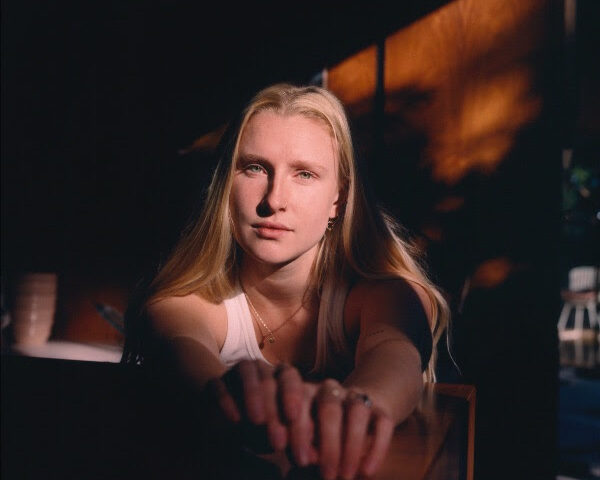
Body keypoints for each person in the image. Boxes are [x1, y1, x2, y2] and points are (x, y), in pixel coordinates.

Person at [122, 83, 449, 479]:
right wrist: (227, 395)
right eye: (255, 168)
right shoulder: (183, 302)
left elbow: (395, 356)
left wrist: (356, 407)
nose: (273, 199)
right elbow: (181, 350)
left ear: (338, 200)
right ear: (226, 184)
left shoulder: (389, 296)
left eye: (305, 174)